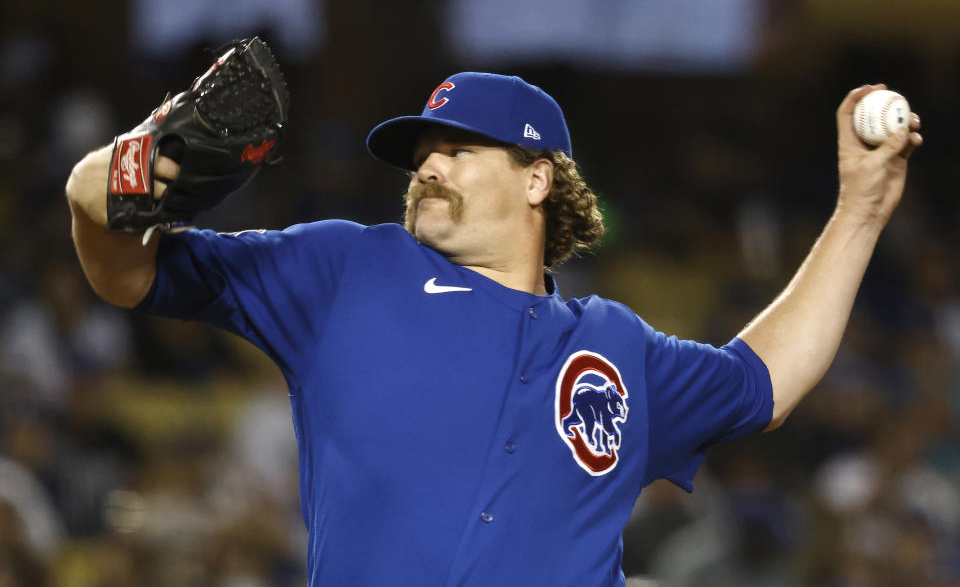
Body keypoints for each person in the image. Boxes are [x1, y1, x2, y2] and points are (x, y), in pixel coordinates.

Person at [66, 71, 922, 586]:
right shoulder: (345, 270)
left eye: (459, 147)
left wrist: (860, 210)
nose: (427, 165)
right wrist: (128, 170)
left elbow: (762, 381)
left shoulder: (617, 343)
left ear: (538, 180)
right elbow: (124, 267)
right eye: (421, 153)